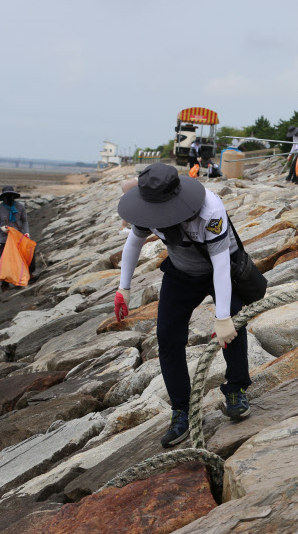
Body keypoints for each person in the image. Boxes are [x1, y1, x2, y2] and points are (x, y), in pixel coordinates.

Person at [115, 163, 252, 448]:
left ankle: (236, 389)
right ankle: (183, 410)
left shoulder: (210, 210)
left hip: (218, 269)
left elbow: (221, 264)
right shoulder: (146, 207)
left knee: (233, 327)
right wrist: (123, 287)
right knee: (167, 337)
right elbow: (133, 243)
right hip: (181, 272)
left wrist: (223, 316)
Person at [0, 185, 37, 291]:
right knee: (6, 261)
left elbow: (24, 220)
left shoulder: (20, 207)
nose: (9, 198)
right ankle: (5, 284)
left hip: (19, 237)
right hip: (4, 239)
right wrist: (1, 228)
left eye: (11, 195)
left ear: (14, 196)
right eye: (7, 196)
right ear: (3, 197)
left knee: (27, 255)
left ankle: (28, 275)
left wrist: (27, 232)